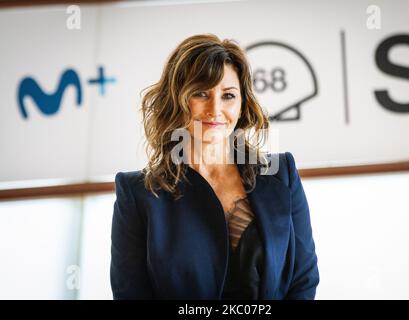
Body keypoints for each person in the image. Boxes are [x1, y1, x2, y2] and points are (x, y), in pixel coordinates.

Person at [110, 33, 319, 300]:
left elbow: (304, 279)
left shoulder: (281, 173)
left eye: (228, 95)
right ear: (176, 100)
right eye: (200, 93)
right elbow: (131, 294)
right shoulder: (137, 193)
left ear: (243, 103)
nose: (215, 109)